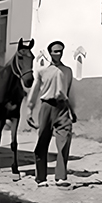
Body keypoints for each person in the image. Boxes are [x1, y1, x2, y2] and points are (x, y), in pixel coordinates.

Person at [26, 40, 77, 187]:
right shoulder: (42, 71)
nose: (58, 53)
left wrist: (73, 111)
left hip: (62, 108)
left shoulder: (67, 71)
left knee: (64, 140)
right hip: (47, 107)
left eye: (60, 51)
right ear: (50, 53)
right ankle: (41, 178)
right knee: (43, 141)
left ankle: (61, 177)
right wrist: (29, 110)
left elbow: (70, 92)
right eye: (55, 51)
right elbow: (35, 91)